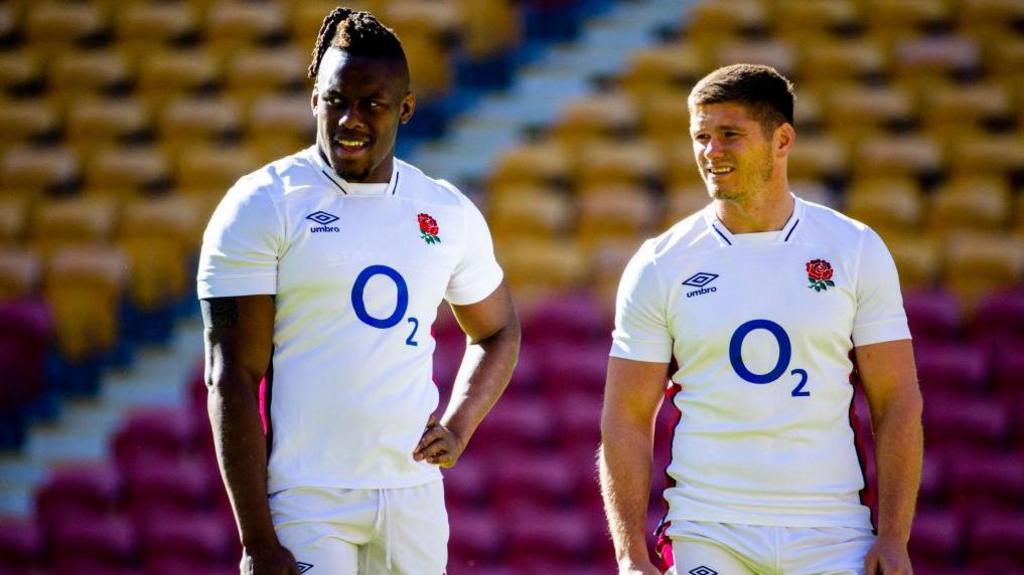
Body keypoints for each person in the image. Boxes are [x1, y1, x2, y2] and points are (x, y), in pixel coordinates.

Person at [197, 7, 520, 574]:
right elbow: (232, 376)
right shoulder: (263, 204)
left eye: (372, 103)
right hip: (308, 498)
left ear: (406, 108)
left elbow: (496, 330)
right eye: (337, 99)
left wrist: (460, 424)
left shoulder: (444, 210)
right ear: (313, 98)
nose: (351, 118)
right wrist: (256, 542)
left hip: (413, 497)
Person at [599, 64, 922, 575]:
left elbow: (898, 400)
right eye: (700, 137)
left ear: (782, 139)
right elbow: (626, 416)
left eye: (730, 135)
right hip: (707, 528)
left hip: (832, 530)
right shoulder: (661, 263)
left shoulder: (854, 249)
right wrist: (629, 555)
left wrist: (895, 536)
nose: (711, 152)